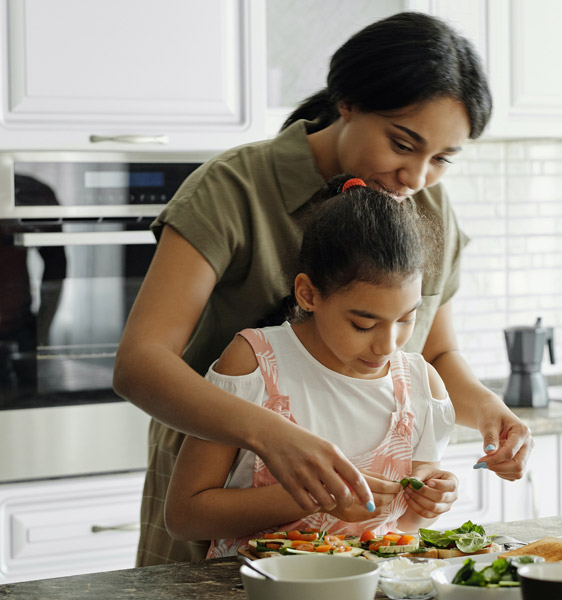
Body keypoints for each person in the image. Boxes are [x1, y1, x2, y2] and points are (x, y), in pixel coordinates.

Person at [113, 11, 534, 565]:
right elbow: (140, 363)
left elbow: (433, 352)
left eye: (441, 159)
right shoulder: (234, 188)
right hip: (219, 487)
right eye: (403, 143)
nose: (417, 176)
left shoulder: (426, 204)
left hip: (355, 542)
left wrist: (487, 411)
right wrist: (272, 436)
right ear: (348, 103)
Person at [165, 175, 455, 556]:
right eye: (363, 324)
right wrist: (314, 498)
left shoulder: (420, 386)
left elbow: (404, 527)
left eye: (406, 319)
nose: (388, 345)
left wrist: (428, 504)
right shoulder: (255, 363)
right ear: (308, 293)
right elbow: (184, 516)